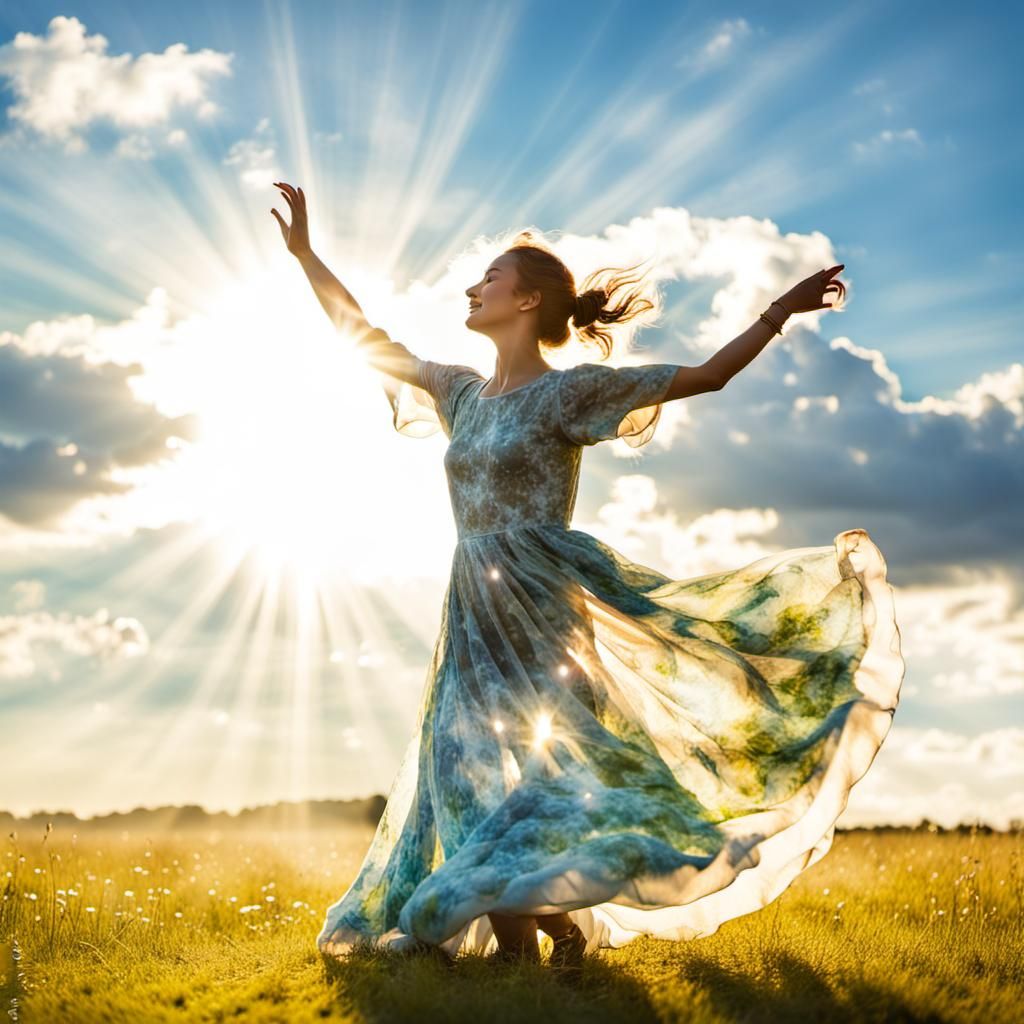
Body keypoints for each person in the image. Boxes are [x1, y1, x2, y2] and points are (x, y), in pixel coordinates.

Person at [271, 183, 904, 980]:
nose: (474, 288)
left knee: (540, 776)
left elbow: (705, 377)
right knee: (463, 770)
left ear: (529, 299)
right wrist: (305, 257)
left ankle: (531, 953)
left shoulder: (566, 393)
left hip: (541, 606)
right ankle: (539, 942)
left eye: (491, 276)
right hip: (471, 607)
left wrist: (779, 310)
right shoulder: (461, 394)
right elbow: (366, 337)